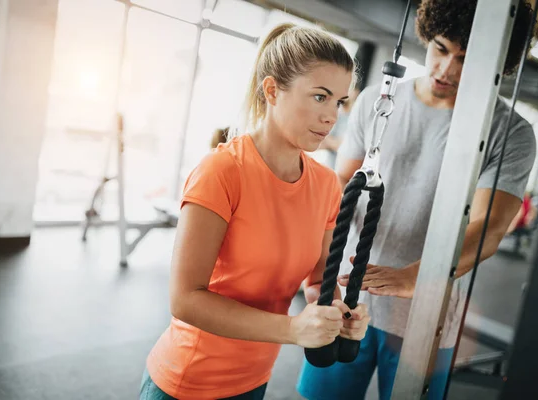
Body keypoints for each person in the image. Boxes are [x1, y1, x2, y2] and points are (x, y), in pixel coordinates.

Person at [296, 1, 537, 399]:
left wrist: (419, 276)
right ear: (427, 36)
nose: (447, 69)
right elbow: (343, 182)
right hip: (347, 296)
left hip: (427, 318)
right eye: (441, 49)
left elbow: (489, 228)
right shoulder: (378, 99)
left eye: (465, 58)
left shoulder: (510, 133)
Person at [140, 23, 371, 400]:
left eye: (339, 102)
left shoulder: (327, 185)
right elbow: (185, 299)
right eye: (319, 97)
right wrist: (293, 329)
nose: (332, 116)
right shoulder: (222, 171)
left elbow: (317, 282)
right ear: (272, 90)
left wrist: (338, 315)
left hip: (253, 380)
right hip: (187, 382)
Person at [317, 84, 361, 169]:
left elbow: (352, 149)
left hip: (345, 168)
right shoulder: (337, 114)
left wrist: (334, 143)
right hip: (330, 165)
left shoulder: (356, 118)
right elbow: (322, 142)